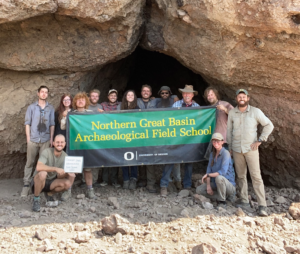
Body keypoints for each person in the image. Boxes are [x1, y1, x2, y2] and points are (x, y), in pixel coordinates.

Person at [227, 89, 274, 216]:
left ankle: (262, 205)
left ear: (247, 98)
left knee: (256, 177)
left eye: (244, 96)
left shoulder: (255, 112)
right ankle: (244, 201)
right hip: (237, 149)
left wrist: (260, 140)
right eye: (239, 96)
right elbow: (229, 131)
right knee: (241, 176)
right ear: (236, 99)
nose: (241, 98)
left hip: (251, 149)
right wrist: (230, 147)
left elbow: (269, 125)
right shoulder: (232, 112)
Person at [160, 85, 200, 196]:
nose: (187, 95)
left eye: (189, 93)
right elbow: (170, 120)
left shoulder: (197, 106)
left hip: (190, 138)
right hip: (176, 138)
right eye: (185, 93)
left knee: (189, 162)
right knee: (170, 159)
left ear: (192, 95)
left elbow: (200, 121)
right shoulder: (176, 105)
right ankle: (164, 185)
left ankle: (187, 185)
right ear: (182, 94)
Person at [21, 86, 55, 197]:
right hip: (33, 139)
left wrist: (51, 138)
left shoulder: (51, 108)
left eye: (46, 92)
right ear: (38, 93)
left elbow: (52, 124)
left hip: (45, 140)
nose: (44, 94)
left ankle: (37, 184)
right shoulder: (31, 107)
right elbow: (27, 123)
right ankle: (26, 185)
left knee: (42, 164)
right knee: (30, 162)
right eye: (42, 92)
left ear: (48, 94)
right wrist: (28, 138)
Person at [61, 92, 96, 199]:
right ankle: (68, 190)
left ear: (86, 102)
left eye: (83, 99)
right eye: (78, 99)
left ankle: (90, 189)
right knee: (72, 168)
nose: (80, 101)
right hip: (74, 145)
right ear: (75, 102)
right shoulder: (71, 113)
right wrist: (64, 117)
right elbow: (63, 127)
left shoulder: (91, 113)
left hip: (87, 145)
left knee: (88, 168)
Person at [31, 134, 75, 212]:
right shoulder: (46, 152)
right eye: (57, 142)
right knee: (43, 174)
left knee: (67, 184)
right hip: (38, 181)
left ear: (65, 144)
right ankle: (36, 199)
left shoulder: (66, 157)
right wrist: (55, 169)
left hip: (51, 182)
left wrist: (68, 173)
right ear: (53, 143)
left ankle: (49, 194)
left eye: (62, 142)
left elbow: (59, 176)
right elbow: (39, 167)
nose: (60, 144)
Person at [197, 133, 236, 208]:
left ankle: (222, 201)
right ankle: (222, 196)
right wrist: (208, 186)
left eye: (218, 141)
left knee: (219, 178)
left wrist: (208, 175)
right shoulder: (212, 154)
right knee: (199, 190)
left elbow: (222, 172)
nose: (215, 143)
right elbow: (208, 170)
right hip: (216, 184)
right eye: (214, 141)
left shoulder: (226, 153)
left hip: (228, 186)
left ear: (222, 142)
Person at [156, 86, 182, 191]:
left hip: (174, 134)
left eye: (167, 93)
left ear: (170, 94)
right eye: (162, 93)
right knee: (166, 158)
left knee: (176, 158)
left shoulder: (175, 103)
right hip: (162, 135)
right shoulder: (157, 104)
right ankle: (168, 182)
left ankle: (178, 180)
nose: (164, 95)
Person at [136, 85, 158, 193]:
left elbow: (169, 98)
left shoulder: (155, 102)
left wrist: (175, 97)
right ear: (141, 92)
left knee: (150, 157)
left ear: (150, 93)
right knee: (140, 155)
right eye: (144, 90)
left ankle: (151, 183)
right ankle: (142, 179)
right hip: (138, 133)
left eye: (147, 91)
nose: (145, 92)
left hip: (151, 134)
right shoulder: (136, 101)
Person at [80, 89, 103, 188]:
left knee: (96, 158)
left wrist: (103, 114)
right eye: (92, 96)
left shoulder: (100, 107)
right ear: (89, 97)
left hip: (97, 137)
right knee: (85, 158)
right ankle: (84, 181)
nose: (94, 98)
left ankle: (94, 180)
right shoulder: (85, 106)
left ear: (98, 97)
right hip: (85, 137)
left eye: (96, 96)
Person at [117, 90, 139, 189]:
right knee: (124, 158)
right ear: (125, 96)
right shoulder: (121, 108)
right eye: (128, 95)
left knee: (134, 158)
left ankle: (133, 179)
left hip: (134, 137)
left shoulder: (137, 108)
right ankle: (125, 179)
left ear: (134, 97)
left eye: (132, 95)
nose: (130, 96)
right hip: (123, 137)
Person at [99, 89, 120, 188]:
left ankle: (115, 180)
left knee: (115, 157)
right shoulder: (102, 105)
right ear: (108, 96)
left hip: (117, 135)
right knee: (105, 157)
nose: (113, 97)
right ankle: (105, 180)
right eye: (111, 95)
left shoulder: (120, 105)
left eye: (115, 96)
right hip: (105, 135)